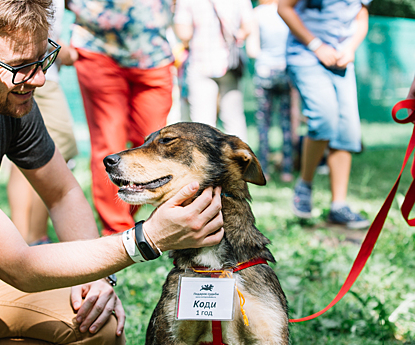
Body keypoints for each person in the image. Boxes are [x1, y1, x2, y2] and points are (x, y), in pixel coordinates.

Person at [0, 0, 225, 345]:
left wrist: (97, 281)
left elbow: (62, 192)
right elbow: (20, 264)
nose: (39, 79)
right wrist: (144, 238)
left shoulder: (10, 102)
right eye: (20, 66)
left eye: (42, 58)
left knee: (97, 327)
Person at [61, 0, 175, 236]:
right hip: (98, 50)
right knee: (109, 142)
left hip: (153, 54)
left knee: (152, 144)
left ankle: (126, 216)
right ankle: (116, 231)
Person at [278, 0, 371, 229]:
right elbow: (283, 7)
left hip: (342, 60)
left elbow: (361, 16)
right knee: (324, 118)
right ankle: (305, 184)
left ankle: (338, 206)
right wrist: (316, 45)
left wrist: (350, 48)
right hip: (306, 56)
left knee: (347, 130)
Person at [7, 0, 79, 245]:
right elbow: (24, 22)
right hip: (34, 72)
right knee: (54, 149)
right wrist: (61, 50)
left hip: (39, 70)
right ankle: (34, 238)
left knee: (25, 149)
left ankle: (24, 237)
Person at [173, 0, 255, 142]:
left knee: (203, 124)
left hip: (200, 63)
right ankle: (240, 161)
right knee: (234, 119)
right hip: (229, 63)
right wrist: (236, 36)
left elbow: (184, 33)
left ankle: (206, 163)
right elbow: (248, 26)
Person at [246, 0, 294, 182]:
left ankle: (263, 169)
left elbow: (252, 50)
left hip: (264, 73)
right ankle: (287, 171)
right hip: (286, 73)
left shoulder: (257, 14)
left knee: (263, 125)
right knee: (287, 125)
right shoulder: (289, 10)